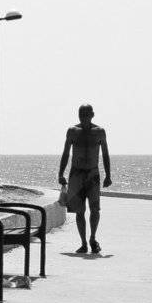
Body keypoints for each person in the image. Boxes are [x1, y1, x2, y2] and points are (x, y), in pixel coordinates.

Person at [58, 103, 112, 255]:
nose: (83, 117)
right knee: (79, 211)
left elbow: (106, 154)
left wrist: (108, 175)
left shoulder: (99, 132)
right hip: (76, 174)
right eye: (81, 114)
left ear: (92, 115)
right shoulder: (73, 131)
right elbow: (66, 153)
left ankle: (92, 238)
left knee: (95, 209)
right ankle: (83, 243)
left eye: (86, 114)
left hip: (93, 175)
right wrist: (60, 173)